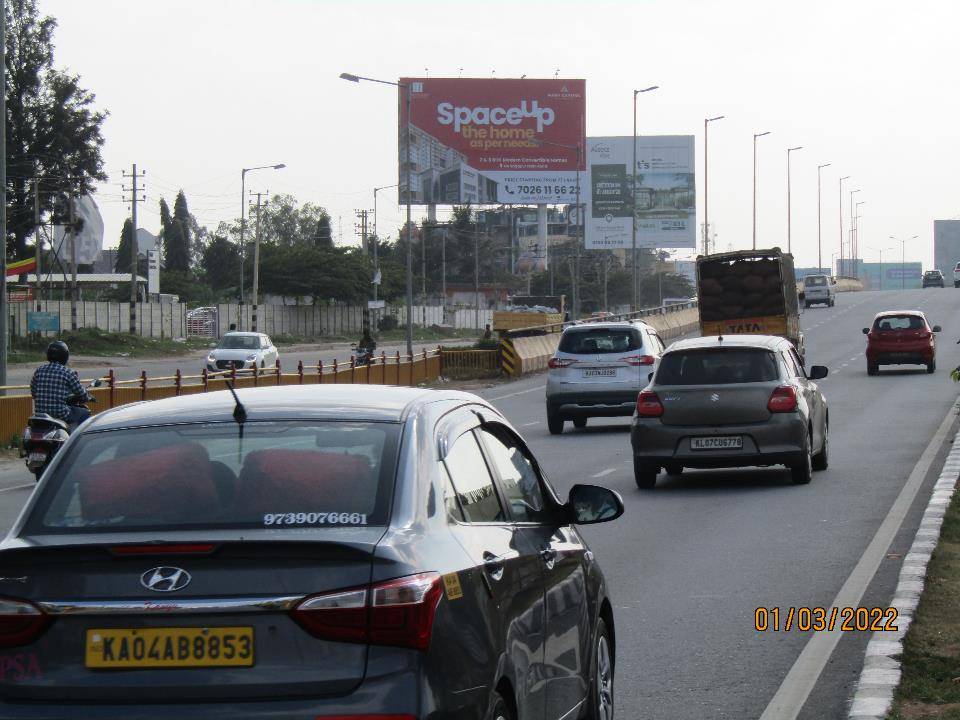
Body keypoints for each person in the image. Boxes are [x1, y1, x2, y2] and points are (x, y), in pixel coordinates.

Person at [30, 341, 90, 429]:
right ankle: (79, 440)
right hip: (60, 414)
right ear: (65, 356)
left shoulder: (39, 370)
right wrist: (87, 397)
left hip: (40, 415)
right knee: (84, 412)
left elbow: (34, 392)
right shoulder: (68, 372)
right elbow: (81, 393)